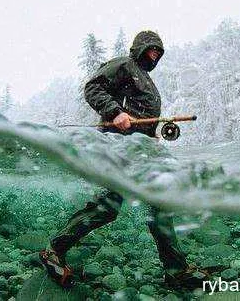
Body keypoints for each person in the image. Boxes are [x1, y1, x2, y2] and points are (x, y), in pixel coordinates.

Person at [40, 30, 208, 289]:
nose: (154, 55)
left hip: (139, 153)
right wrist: (115, 112)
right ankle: (54, 249)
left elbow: (141, 117)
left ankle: (175, 270)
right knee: (109, 207)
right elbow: (92, 87)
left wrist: (152, 137)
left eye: (158, 53)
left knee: (158, 206)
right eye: (151, 49)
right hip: (118, 148)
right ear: (140, 48)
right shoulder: (124, 65)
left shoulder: (146, 79)